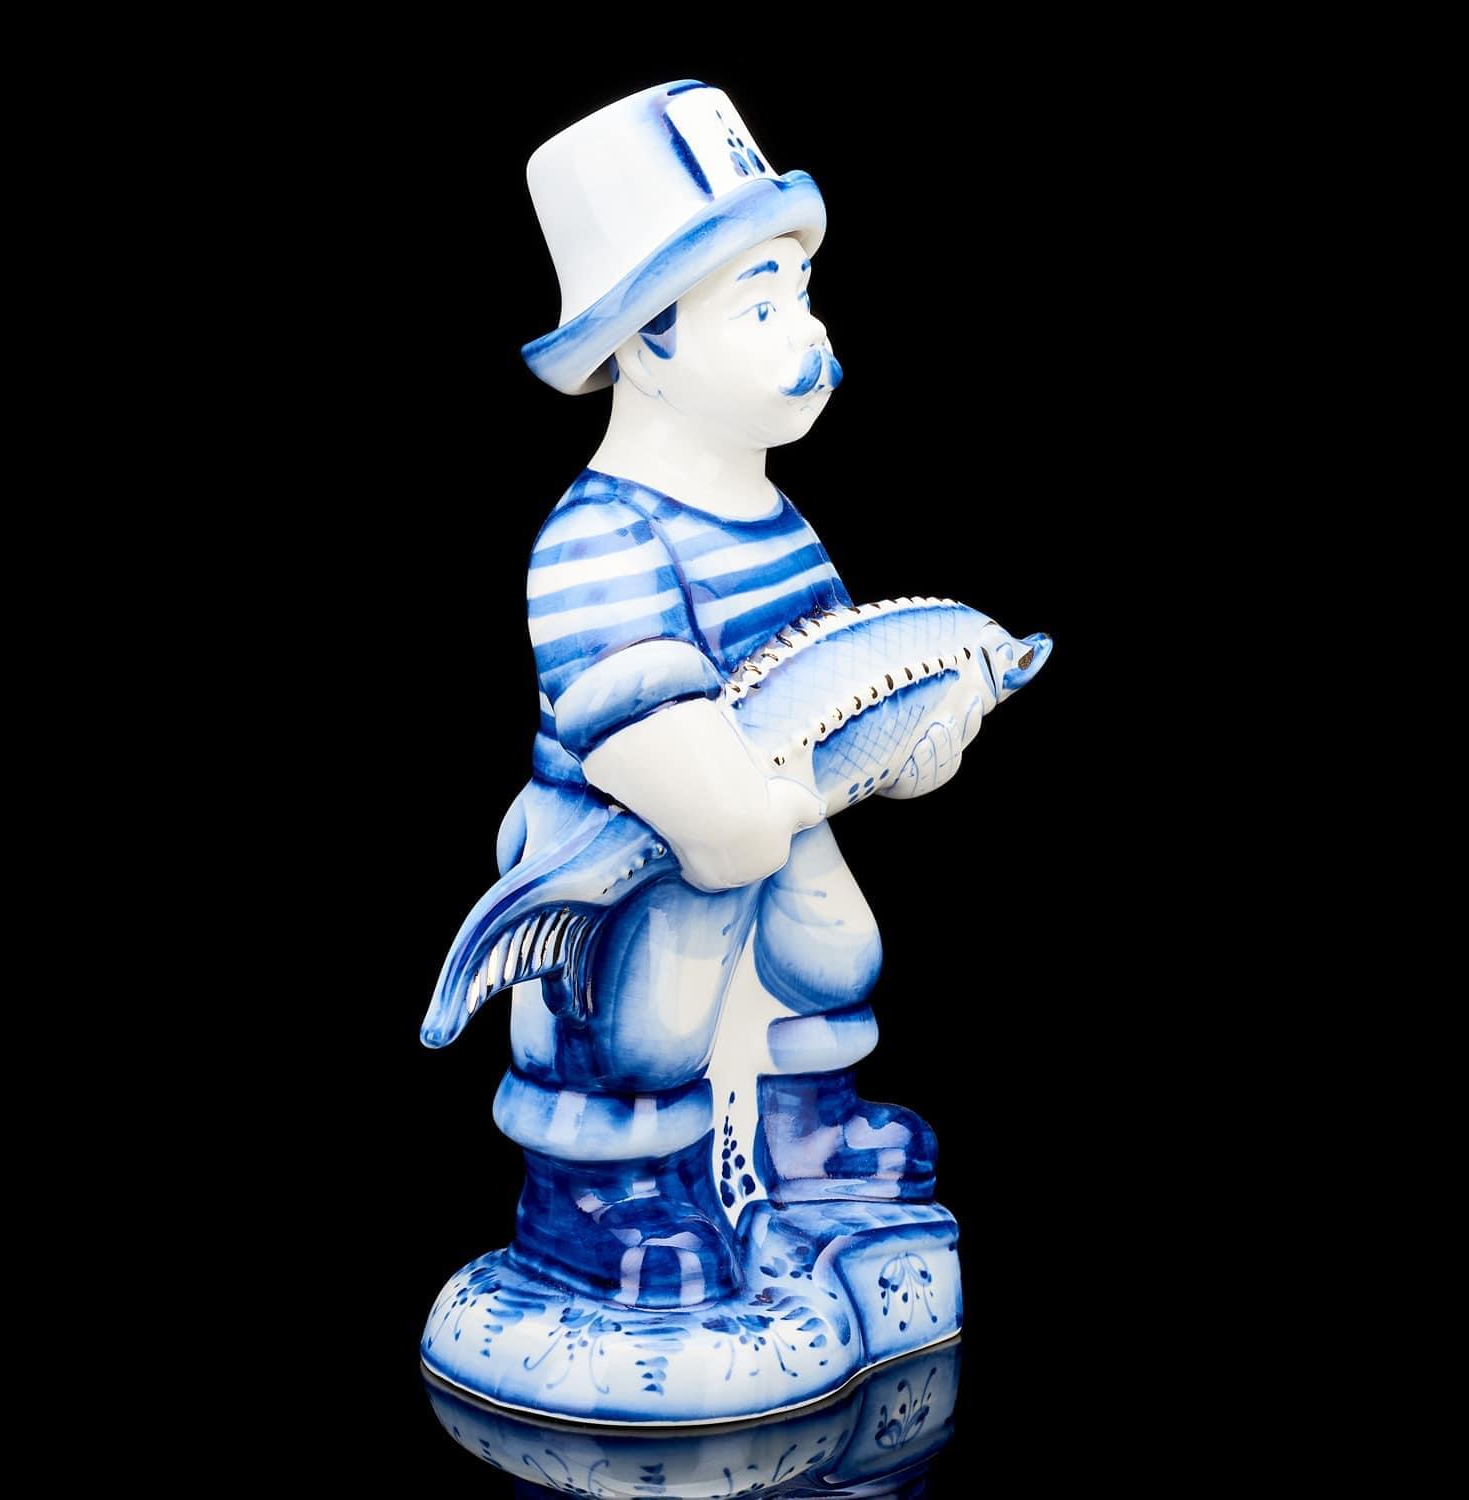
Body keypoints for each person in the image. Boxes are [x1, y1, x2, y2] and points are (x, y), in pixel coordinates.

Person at [429, 82, 947, 1311]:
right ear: (648, 340)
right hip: (632, 843)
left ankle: (807, 1134)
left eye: (801, 297)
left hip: (773, 814)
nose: (807, 334)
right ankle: (600, 1196)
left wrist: (910, 740)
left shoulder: (778, 521)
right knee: (643, 1018)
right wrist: (733, 806)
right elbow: (646, 736)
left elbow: (836, 673)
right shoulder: (600, 539)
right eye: (762, 306)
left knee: (832, 950)